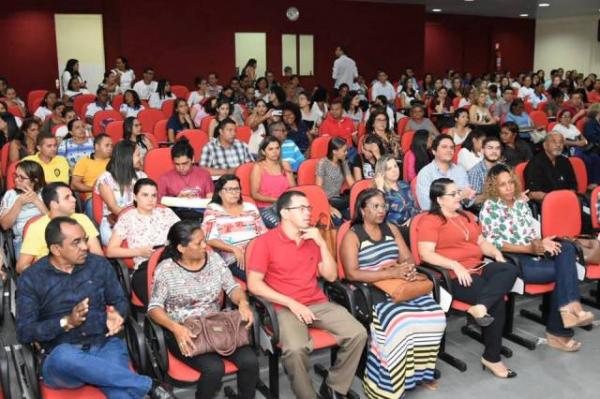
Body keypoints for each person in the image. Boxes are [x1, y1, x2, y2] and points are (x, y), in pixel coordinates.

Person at [16, 217, 175, 399]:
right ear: (56, 249)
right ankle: (149, 385)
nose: (85, 246)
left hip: (104, 344)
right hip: (61, 357)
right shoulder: (31, 278)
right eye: (76, 242)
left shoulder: (98, 264)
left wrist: (118, 315)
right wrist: (65, 322)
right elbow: (24, 332)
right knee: (64, 355)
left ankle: (141, 385)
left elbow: (119, 300)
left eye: (84, 239)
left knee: (121, 395)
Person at [247, 190, 368, 399]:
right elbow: (254, 285)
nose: (308, 213)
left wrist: (322, 243)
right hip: (282, 307)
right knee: (295, 349)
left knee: (358, 333)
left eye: (309, 208)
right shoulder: (264, 242)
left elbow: (330, 276)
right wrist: (292, 303)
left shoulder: (312, 239)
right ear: (284, 213)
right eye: (301, 208)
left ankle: (334, 387)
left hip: (315, 302)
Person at [340, 188, 445, 397]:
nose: (381, 210)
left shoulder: (390, 228)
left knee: (435, 316)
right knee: (401, 324)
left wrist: (405, 268)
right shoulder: (353, 235)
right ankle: (386, 386)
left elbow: (408, 258)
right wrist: (388, 273)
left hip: (398, 283)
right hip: (370, 290)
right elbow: (352, 274)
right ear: (362, 210)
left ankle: (417, 374)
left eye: (383, 206)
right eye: (375, 206)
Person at [480, 164, 594, 351]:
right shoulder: (489, 207)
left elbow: (531, 234)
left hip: (533, 253)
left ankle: (569, 311)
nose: (509, 187)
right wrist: (529, 249)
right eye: (502, 185)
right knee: (565, 272)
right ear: (494, 187)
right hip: (513, 260)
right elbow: (494, 244)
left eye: (510, 182)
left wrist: (542, 243)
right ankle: (563, 323)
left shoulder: (521, 204)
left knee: (565, 248)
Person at [417, 178, 518, 379]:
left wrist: (495, 253)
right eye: (453, 194)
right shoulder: (430, 220)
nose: (459, 196)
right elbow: (426, 254)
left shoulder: (467, 217)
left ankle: (480, 307)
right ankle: (492, 357)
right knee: (496, 300)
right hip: (452, 276)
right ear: (439, 199)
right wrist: (455, 264)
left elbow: (482, 242)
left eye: (458, 192)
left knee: (509, 268)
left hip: (477, 267)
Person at [148, 219, 257, 399]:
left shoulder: (213, 259)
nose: (205, 246)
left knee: (250, 361)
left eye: (204, 240)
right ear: (181, 248)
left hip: (215, 324)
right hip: (184, 329)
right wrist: (176, 328)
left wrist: (243, 303)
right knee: (214, 369)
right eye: (199, 243)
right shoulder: (166, 270)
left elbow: (232, 287)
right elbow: (154, 307)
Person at [107, 178, 179, 300]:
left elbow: (184, 235)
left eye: (154, 195)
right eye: (145, 195)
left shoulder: (166, 213)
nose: (150, 199)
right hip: (146, 267)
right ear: (135, 197)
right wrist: (139, 252)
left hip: (172, 262)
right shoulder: (128, 218)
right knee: (161, 300)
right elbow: (111, 251)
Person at [16, 182, 103, 273]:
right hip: (51, 278)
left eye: (72, 195)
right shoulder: (36, 228)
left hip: (84, 272)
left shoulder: (82, 219)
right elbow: (21, 267)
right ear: (54, 204)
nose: (74, 199)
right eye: (67, 197)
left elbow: (97, 254)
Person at [202, 175, 267, 280]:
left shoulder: (250, 207)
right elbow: (210, 239)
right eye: (229, 189)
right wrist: (233, 249)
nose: (234, 192)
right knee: (262, 279)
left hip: (258, 253)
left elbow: (263, 233)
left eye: (236, 189)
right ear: (219, 192)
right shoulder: (212, 210)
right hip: (234, 258)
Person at [95, 140, 147, 244]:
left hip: (141, 219)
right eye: (137, 155)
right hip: (114, 222)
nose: (140, 158)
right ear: (126, 158)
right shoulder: (106, 179)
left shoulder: (141, 176)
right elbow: (114, 208)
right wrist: (136, 220)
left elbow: (149, 201)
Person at [416, 134, 475, 210]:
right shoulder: (425, 173)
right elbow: (426, 206)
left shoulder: (460, 170)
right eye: (444, 147)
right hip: (437, 218)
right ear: (434, 151)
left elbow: (468, 201)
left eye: (451, 147)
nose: (449, 150)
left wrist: (468, 197)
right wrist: (459, 196)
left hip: (459, 216)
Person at [0, 160, 47, 257]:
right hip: (23, 240)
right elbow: (4, 225)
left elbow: (55, 220)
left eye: (22, 178)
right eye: (16, 176)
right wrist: (18, 203)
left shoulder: (45, 193)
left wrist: (37, 201)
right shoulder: (10, 195)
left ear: (35, 180)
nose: (17, 180)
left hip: (47, 237)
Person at [250, 136, 296, 228]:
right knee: (283, 227)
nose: (275, 152)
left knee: (300, 224)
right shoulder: (259, 167)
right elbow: (254, 194)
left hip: (285, 206)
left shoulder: (285, 164)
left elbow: (293, 188)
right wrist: (277, 200)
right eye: (270, 149)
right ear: (263, 152)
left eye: (277, 148)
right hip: (266, 208)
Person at [524, 132, 577, 203]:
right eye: (554, 142)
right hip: (546, 203)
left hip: (566, 200)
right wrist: (555, 199)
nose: (558, 145)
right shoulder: (535, 164)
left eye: (561, 142)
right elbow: (533, 194)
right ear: (545, 145)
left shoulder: (565, 161)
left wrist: (568, 197)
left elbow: (573, 185)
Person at [374, 155, 419, 237]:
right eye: (389, 169)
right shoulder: (379, 192)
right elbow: (378, 216)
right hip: (394, 231)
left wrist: (413, 219)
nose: (394, 170)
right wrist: (380, 189)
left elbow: (414, 207)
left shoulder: (404, 184)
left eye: (395, 166)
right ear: (381, 173)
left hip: (413, 225)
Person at [71, 133, 113, 217]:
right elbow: (74, 185)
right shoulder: (84, 161)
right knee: (92, 205)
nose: (110, 148)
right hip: (94, 196)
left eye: (111, 146)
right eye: (107, 145)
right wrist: (95, 189)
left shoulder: (114, 160)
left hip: (115, 193)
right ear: (97, 147)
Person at [317, 137, 355, 222]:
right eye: (344, 151)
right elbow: (318, 190)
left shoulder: (343, 162)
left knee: (355, 216)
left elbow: (352, 183)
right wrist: (329, 208)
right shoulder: (322, 164)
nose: (346, 153)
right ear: (334, 152)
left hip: (338, 200)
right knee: (338, 219)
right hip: (326, 201)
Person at [468, 136, 503, 200]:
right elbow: (472, 200)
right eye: (490, 148)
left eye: (497, 148)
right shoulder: (475, 172)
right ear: (482, 151)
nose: (494, 151)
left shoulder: (504, 168)